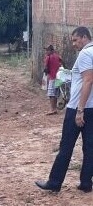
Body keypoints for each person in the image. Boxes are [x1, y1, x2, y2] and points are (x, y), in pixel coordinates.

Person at [36, 26, 93, 193]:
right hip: (92, 108)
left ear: (84, 37)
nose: (74, 44)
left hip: (77, 108)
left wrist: (80, 110)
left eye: (75, 40)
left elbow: (88, 81)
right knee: (90, 147)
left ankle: (54, 182)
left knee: (66, 146)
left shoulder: (85, 54)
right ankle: (86, 183)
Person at [44, 45, 63, 115]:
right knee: (55, 94)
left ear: (51, 50)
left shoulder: (48, 57)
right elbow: (62, 63)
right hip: (59, 77)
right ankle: (54, 109)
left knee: (51, 94)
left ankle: (52, 109)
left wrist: (46, 73)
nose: (46, 52)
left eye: (47, 50)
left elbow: (46, 68)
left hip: (52, 77)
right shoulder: (58, 56)